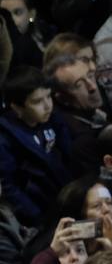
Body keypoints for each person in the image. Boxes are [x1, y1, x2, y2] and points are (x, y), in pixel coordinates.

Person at [0, 68, 73, 225]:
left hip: (65, 198)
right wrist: (38, 217)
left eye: (48, 96)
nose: (47, 106)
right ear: (17, 108)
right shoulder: (5, 139)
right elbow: (10, 187)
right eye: (37, 101)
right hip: (38, 215)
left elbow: (69, 156)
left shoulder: (53, 119)